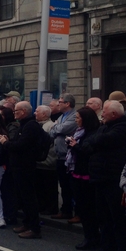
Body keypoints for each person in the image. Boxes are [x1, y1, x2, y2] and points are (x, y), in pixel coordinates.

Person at [83, 100, 126, 251]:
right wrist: (96, 141)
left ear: (114, 114)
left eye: (105, 112)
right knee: (104, 217)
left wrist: (96, 141)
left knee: (118, 219)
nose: (102, 114)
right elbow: (89, 142)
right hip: (100, 178)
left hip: (114, 180)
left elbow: (101, 140)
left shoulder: (123, 128)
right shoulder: (104, 127)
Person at [0, 101, 43, 239]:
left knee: (29, 198)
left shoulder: (31, 126)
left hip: (25, 167)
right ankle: (27, 223)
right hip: (18, 166)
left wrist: (6, 143)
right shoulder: (23, 125)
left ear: (23, 112)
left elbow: (21, 145)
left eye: (16, 111)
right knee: (22, 198)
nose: (14, 113)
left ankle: (34, 228)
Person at [66, 107, 101, 250]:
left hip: (87, 174)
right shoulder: (79, 131)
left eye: (78, 117)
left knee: (89, 209)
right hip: (76, 171)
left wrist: (75, 146)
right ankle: (89, 237)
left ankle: (93, 238)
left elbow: (88, 151)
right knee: (82, 207)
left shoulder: (93, 133)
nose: (76, 120)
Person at [49, 93, 78, 221]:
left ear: (67, 104)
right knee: (64, 186)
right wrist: (56, 127)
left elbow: (60, 129)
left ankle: (76, 212)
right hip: (60, 156)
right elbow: (52, 131)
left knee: (72, 186)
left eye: (60, 102)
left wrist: (56, 126)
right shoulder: (62, 116)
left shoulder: (73, 116)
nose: (58, 104)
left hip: (69, 156)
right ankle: (65, 210)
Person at [34, 105, 58, 215]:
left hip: (48, 162)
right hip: (39, 163)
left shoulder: (51, 126)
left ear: (44, 114)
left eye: (37, 111)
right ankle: (41, 206)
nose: (35, 113)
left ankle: (51, 208)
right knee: (40, 187)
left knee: (50, 188)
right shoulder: (38, 125)